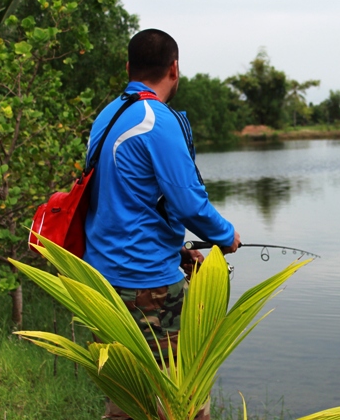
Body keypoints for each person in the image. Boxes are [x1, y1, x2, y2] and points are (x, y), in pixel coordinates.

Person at [84, 29, 240, 420]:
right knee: (183, 402)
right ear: (174, 68)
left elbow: (123, 203)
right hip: (148, 285)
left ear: (128, 68)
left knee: (126, 401)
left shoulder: (108, 115)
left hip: (102, 280)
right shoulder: (157, 120)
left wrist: (178, 248)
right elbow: (189, 204)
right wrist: (226, 236)